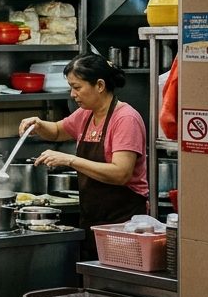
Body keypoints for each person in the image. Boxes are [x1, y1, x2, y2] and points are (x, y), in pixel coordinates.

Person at [21, 54, 148, 258]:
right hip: (92, 220)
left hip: (124, 223)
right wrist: (39, 125)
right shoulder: (86, 114)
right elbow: (56, 131)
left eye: (77, 87)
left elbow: (121, 173)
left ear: (99, 85)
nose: (72, 94)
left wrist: (70, 160)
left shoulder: (125, 119)